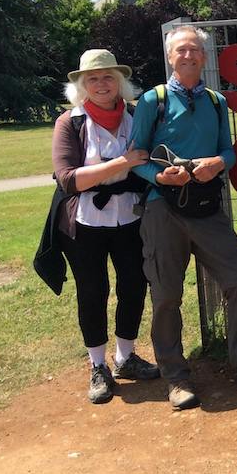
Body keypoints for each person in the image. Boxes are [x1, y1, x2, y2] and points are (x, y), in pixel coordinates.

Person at [129, 25, 237, 411]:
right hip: (162, 210)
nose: (188, 56)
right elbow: (137, 158)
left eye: (195, 50)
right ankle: (175, 377)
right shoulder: (153, 100)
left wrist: (219, 162)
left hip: (207, 210)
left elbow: (228, 152)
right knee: (166, 296)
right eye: (181, 50)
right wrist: (160, 176)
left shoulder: (217, 102)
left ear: (204, 57)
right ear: (170, 57)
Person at [49, 49, 160, 404]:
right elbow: (67, 179)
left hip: (130, 217)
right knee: (92, 291)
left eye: (108, 77)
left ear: (120, 82)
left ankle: (125, 357)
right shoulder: (71, 122)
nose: (101, 84)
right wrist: (122, 163)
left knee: (133, 284)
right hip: (86, 223)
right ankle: (98, 365)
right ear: (82, 85)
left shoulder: (134, 114)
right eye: (93, 79)